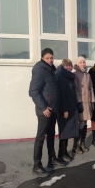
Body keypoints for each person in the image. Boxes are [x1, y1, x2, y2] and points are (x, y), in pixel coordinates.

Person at [29, 48, 63, 177]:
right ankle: (36, 165)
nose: (50, 60)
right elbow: (33, 92)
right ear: (42, 58)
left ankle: (52, 159)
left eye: (51, 57)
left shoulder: (51, 69)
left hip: (52, 109)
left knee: (51, 134)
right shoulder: (39, 69)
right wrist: (43, 108)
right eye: (47, 58)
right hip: (45, 111)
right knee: (40, 137)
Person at [55, 59, 80, 162]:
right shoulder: (61, 76)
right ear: (63, 66)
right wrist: (65, 110)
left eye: (70, 66)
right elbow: (62, 95)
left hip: (71, 108)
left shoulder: (69, 76)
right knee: (64, 132)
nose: (69, 67)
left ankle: (64, 152)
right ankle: (61, 154)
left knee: (67, 132)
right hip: (64, 110)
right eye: (67, 66)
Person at [73, 56, 95, 153]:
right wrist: (78, 102)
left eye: (84, 62)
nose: (83, 64)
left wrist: (92, 101)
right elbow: (75, 90)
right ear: (78, 64)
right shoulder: (75, 75)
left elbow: (91, 88)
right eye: (81, 62)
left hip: (87, 103)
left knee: (85, 123)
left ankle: (82, 143)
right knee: (81, 123)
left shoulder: (88, 75)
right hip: (81, 103)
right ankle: (76, 145)